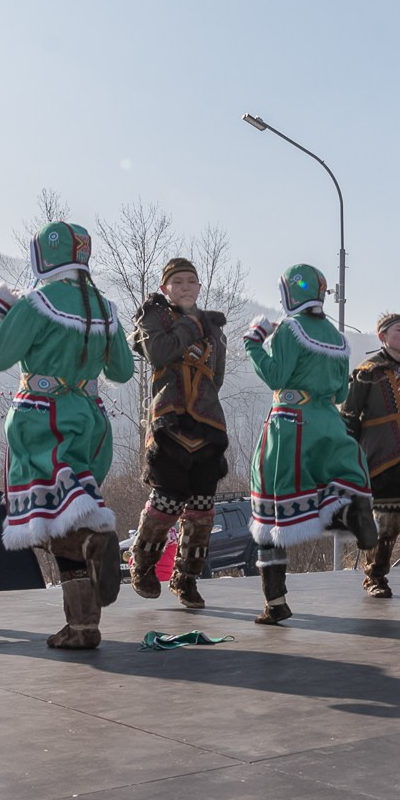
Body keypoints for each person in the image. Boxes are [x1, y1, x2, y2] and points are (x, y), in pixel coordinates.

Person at [0, 221, 135, 649]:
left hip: (42, 419)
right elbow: (122, 371)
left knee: (48, 522)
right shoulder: (105, 308)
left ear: (42, 255)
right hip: (91, 422)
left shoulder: (36, 303)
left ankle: (91, 543)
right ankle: (83, 626)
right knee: (71, 510)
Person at [242, 265, 377, 626]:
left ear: (288, 294)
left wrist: (253, 341)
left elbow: (275, 375)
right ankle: (350, 512)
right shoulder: (335, 335)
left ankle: (276, 601)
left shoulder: (290, 328)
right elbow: (341, 393)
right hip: (328, 424)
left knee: (268, 513)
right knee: (326, 491)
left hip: (290, 423)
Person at [129, 257, 230, 609]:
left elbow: (215, 377)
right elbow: (159, 353)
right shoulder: (153, 317)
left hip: (207, 424)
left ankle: (186, 577)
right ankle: (141, 565)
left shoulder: (215, 330)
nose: (186, 287)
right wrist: (188, 324)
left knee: (202, 509)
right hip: (169, 421)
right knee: (166, 502)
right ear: (164, 288)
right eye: (178, 282)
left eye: (191, 281)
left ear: (200, 287)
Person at [340, 312, 400, 598]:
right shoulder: (367, 372)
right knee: (388, 521)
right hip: (379, 452)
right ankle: (375, 578)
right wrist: (350, 456)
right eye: (398, 330)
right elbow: (349, 415)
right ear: (382, 337)